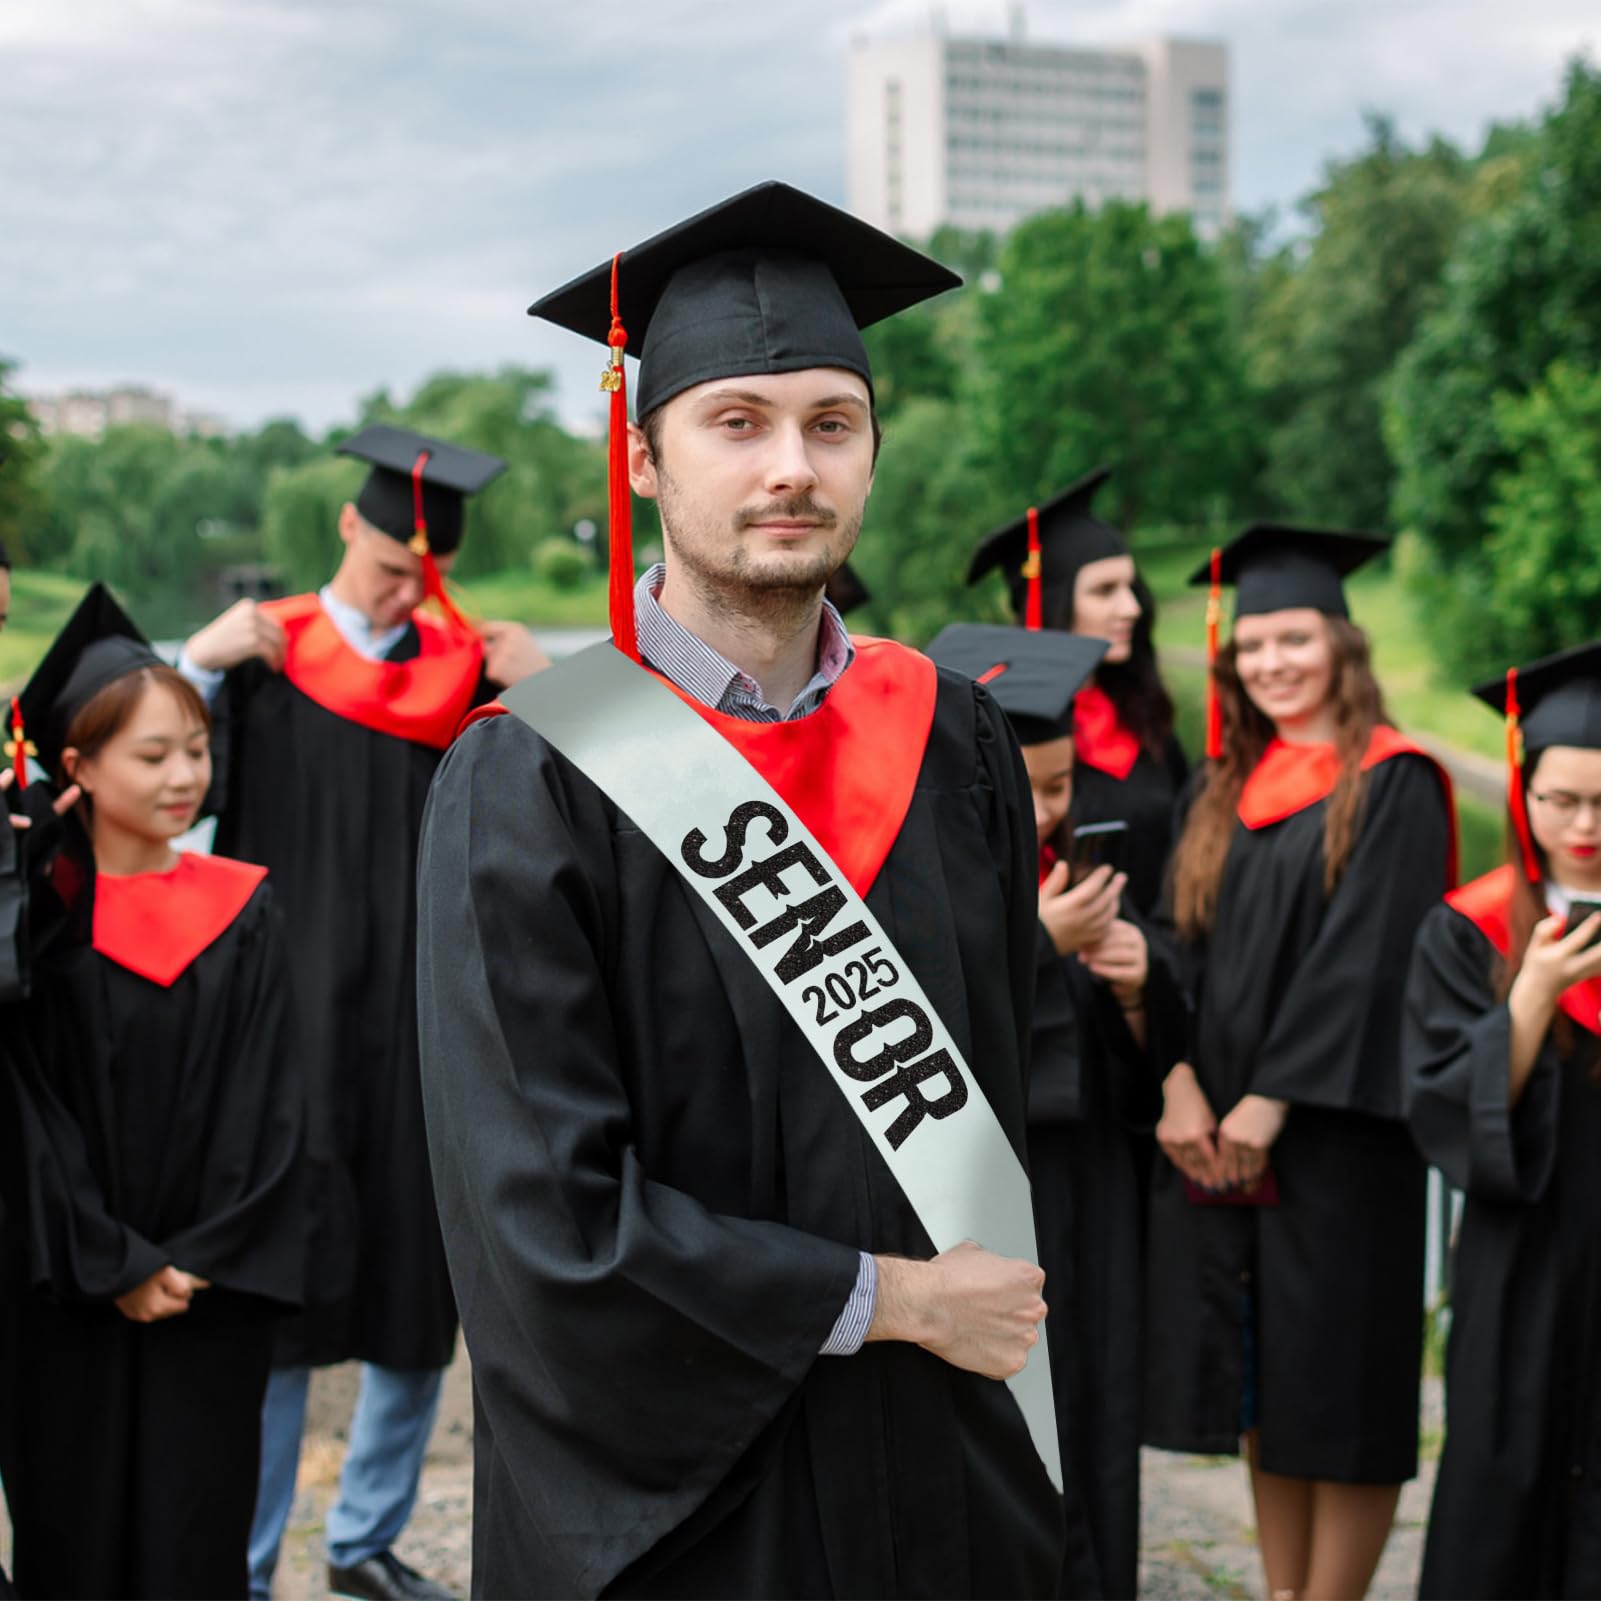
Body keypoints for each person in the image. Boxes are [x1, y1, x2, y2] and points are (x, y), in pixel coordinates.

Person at [416, 181, 1065, 1598]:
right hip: (694, 1508)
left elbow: (1009, 1084)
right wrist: (891, 1299)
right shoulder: (534, 777)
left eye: (832, 424)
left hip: (947, 1471)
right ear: (641, 458)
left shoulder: (952, 739)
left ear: (874, 453)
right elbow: (544, 1222)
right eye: (738, 423)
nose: (792, 467)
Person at [176, 427, 548, 1601]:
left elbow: (564, 823)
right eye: (390, 560)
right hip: (281, 1018)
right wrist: (191, 667)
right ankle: (243, 1554)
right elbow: (175, 795)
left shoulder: (472, 673)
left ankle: (365, 1540)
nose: (403, 588)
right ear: (348, 526)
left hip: (428, 1016)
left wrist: (545, 691)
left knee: (414, 1275)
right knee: (275, 1282)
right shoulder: (261, 656)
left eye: (421, 573)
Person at [1144, 527, 1456, 1601]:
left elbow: (1366, 958)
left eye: (1295, 640)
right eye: (1254, 645)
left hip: (1336, 1138)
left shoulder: (1394, 781)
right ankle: (1282, 1592)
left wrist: (1268, 1102)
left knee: (1346, 1386)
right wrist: (1178, 1083)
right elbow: (1171, 953)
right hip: (1220, 1138)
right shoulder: (1223, 787)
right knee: (1262, 1379)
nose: (1271, 663)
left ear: (1340, 644)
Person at [0, 584, 304, 1598]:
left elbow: (274, 1106)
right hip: (64, 1294)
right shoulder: (31, 934)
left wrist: (197, 1257)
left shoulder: (244, 906)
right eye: (152, 753)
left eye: (197, 747)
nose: (185, 775)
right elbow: (23, 1114)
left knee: (194, 1536)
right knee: (69, 1534)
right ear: (75, 767)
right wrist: (111, 1257)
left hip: (206, 1297)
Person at [928, 622, 1188, 1598]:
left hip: (1086, 1192)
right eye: (1025, 788)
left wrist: (1132, 987)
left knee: (1092, 1414)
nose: (1045, 811)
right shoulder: (912, 875)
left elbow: (1131, 1067)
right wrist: (1034, 942)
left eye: (1060, 785)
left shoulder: (1077, 868)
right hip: (983, 1197)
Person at [1403, 642, 1601, 1598]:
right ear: (1522, 787)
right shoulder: (1468, 925)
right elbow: (1438, 1103)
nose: (1582, 827)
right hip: (1517, 1255)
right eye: (1558, 799)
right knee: (1502, 1468)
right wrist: (1530, 1000)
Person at [967, 468, 1188, 915]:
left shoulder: (1145, 720)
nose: (1131, 608)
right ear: (1050, 601)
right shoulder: (995, 732)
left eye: (1131, 587)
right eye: (1105, 591)